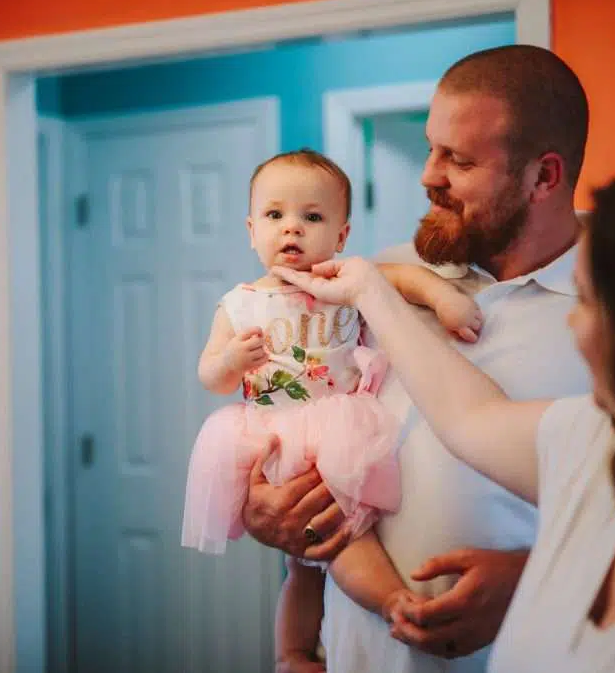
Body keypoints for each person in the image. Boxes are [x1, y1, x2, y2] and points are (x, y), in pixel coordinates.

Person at [276, 154, 615, 672]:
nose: (570, 322)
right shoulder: (594, 443)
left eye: (584, 300)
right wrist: (367, 287)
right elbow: (467, 415)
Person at [243, 45, 594, 673]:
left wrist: (531, 577)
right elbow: (307, 429)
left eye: (457, 159)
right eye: (431, 148)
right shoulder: (376, 279)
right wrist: (264, 512)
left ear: (544, 176)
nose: (428, 175)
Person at [179, 149, 482, 667]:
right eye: (275, 216)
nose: (291, 229)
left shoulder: (344, 279)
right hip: (274, 435)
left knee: (339, 539)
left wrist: (444, 300)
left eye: (312, 217)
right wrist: (230, 358)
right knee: (303, 563)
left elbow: (404, 281)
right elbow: (211, 375)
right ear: (252, 230)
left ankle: (381, 604)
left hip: (340, 425)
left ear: (340, 235)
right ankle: (298, 650)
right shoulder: (241, 302)